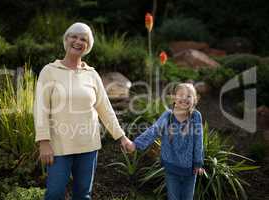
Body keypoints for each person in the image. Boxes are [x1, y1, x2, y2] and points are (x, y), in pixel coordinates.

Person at [34, 22, 133, 200]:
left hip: (88, 145)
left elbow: (105, 108)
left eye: (84, 39)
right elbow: (40, 109)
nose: (78, 41)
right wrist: (43, 141)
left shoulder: (92, 74)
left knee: (83, 195)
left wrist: (121, 136)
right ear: (66, 40)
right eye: (74, 36)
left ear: (88, 46)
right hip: (58, 146)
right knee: (54, 194)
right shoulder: (49, 71)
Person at [126, 83, 205, 200]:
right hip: (171, 166)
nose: (184, 98)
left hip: (190, 169)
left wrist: (198, 162)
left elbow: (199, 141)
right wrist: (136, 144)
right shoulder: (168, 116)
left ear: (195, 99)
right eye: (181, 95)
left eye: (189, 96)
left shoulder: (196, 116)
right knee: (173, 197)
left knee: (188, 197)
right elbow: (153, 131)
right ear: (174, 98)